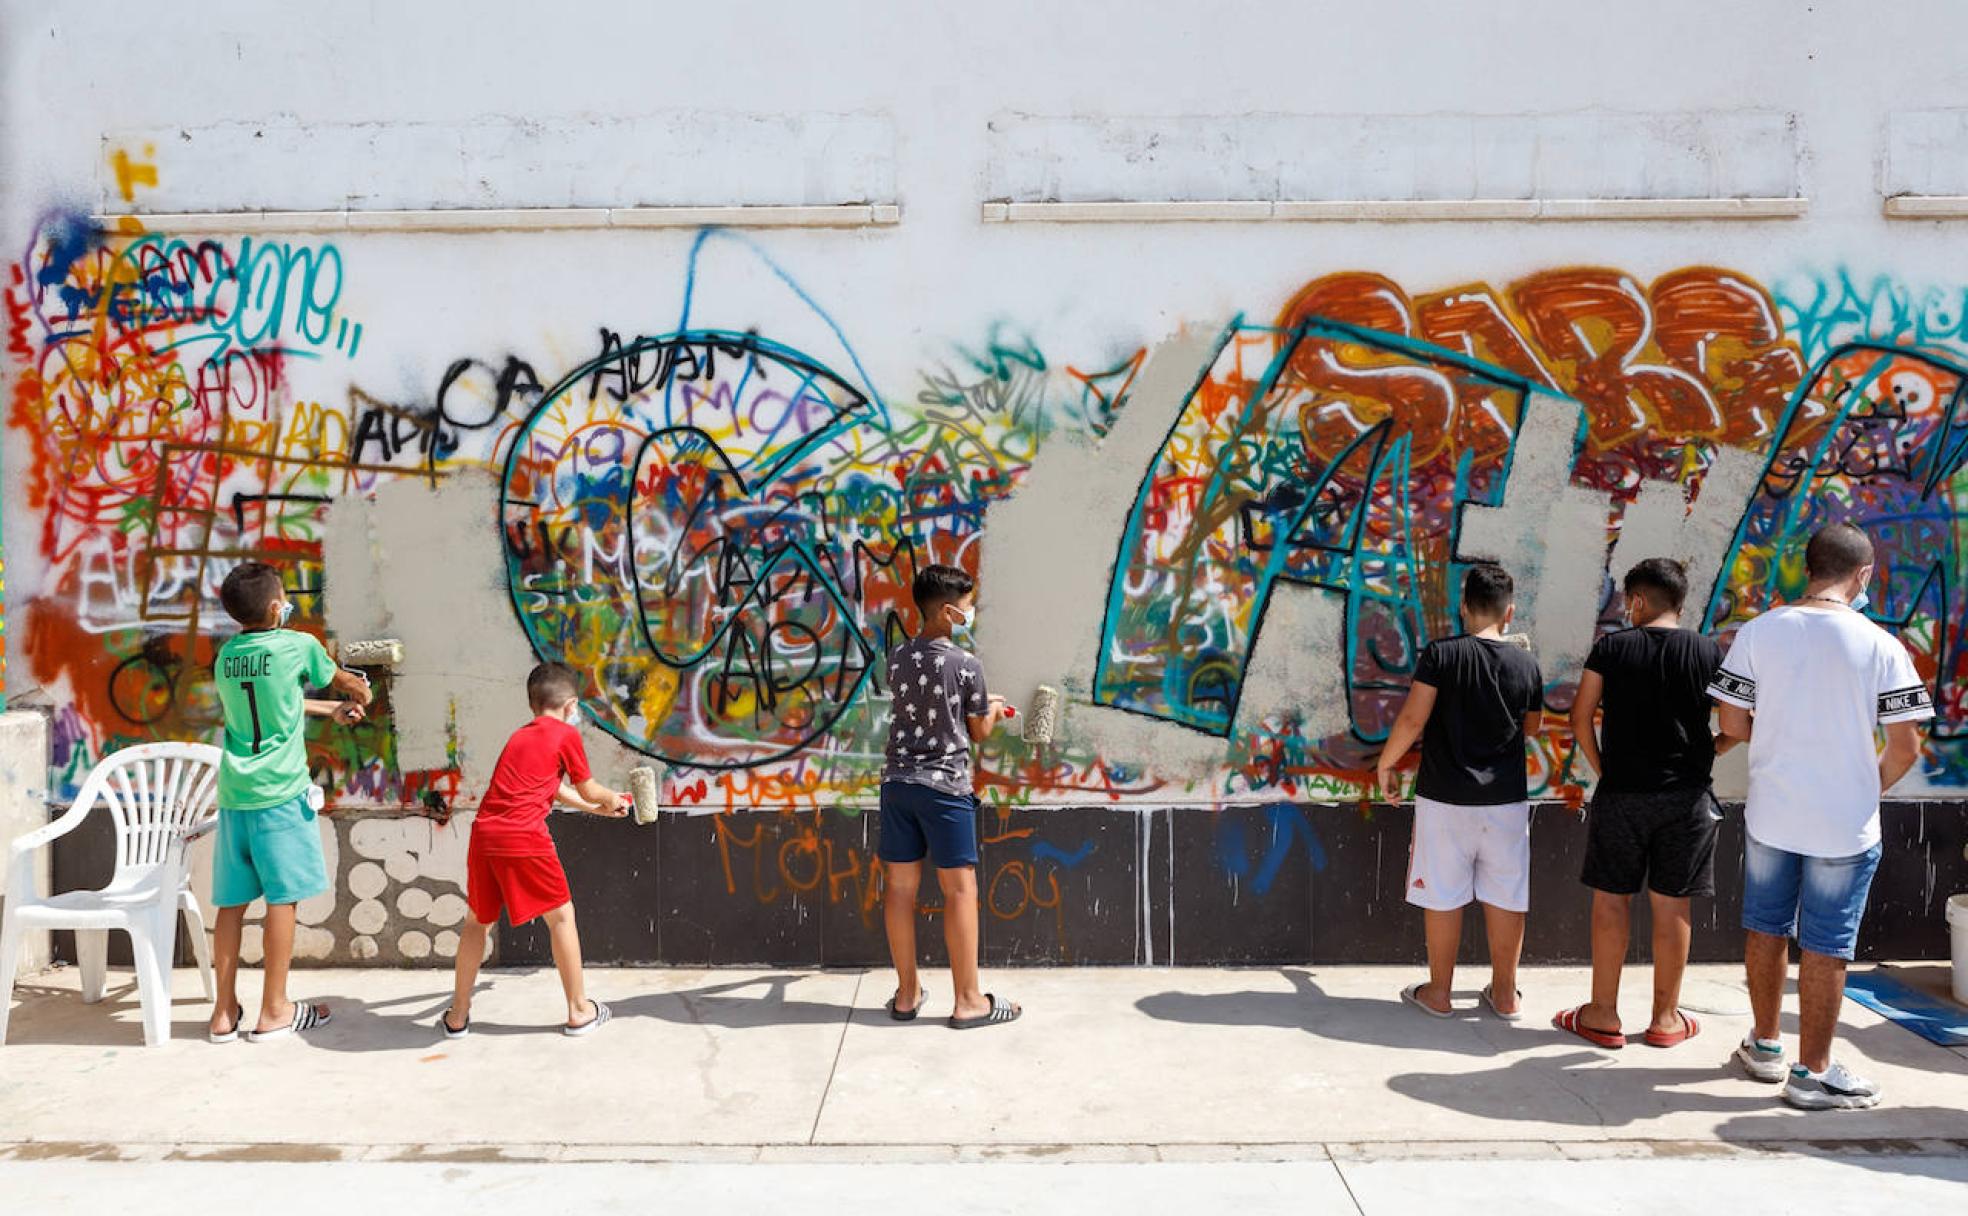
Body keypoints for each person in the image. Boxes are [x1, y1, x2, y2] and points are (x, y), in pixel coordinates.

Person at [1709, 522, 1930, 1110]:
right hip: (1843, 825)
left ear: (1807, 569)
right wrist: (1862, 789)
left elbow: (1731, 723)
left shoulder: (1759, 631)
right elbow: (1906, 746)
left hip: (1772, 813)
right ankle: (1813, 1073)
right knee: (1827, 944)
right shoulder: (1881, 645)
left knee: (1765, 927)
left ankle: (1764, 1046)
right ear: (1863, 574)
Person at [1554, 558, 1731, 1049]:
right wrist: (1709, 751)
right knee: (1673, 906)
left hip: (1623, 794)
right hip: (1687, 797)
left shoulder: (1611, 648)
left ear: (1637, 600)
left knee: (1612, 900)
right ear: (1679, 602)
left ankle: (1602, 1014)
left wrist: (1603, 768)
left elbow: (1580, 716)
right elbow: (1738, 724)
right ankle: (1666, 1019)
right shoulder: (1708, 651)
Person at [207, 562, 372, 1043]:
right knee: (283, 900)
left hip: (235, 795)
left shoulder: (227, 657)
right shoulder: (298, 644)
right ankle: (274, 1009)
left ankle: (223, 1013)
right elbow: (341, 679)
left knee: (231, 904)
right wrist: (358, 690)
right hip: (279, 793)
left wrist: (326, 710)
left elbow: (271, 701)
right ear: (278, 606)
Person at [1377, 563, 1544, 1019]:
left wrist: (1386, 763)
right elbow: (1532, 727)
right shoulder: (1526, 663)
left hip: (1444, 799)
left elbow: (1413, 719)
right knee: (1507, 896)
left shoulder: (1441, 655)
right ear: (1509, 613)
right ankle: (1505, 995)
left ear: (1464, 607)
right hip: (1506, 802)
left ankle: (1439, 993)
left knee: (1442, 895)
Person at [440, 662, 629, 1038]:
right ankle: (580, 1010)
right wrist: (612, 799)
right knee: (561, 918)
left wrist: (594, 810)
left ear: (533, 704)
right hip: (525, 836)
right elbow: (589, 788)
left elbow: (551, 787)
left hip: (486, 834)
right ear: (571, 705)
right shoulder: (565, 735)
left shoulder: (519, 737)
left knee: (477, 922)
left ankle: (457, 1015)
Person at [879, 563, 1021, 1029]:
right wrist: (993, 709)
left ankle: (907, 994)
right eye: (966, 606)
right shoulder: (966, 665)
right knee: (959, 890)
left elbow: (921, 706)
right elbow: (978, 731)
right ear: (947, 611)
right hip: (944, 789)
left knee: (899, 890)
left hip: (898, 785)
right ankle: (969, 1000)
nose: (970, 612)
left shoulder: (898, 657)